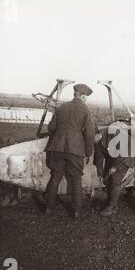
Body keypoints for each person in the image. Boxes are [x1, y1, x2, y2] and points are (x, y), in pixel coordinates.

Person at [43, 83, 95, 218]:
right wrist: (89, 152)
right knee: (76, 180)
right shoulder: (85, 111)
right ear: (83, 96)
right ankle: (77, 211)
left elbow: (51, 128)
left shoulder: (61, 107)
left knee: (55, 177)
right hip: (75, 150)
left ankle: (48, 208)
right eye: (86, 97)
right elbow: (90, 134)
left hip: (57, 148)